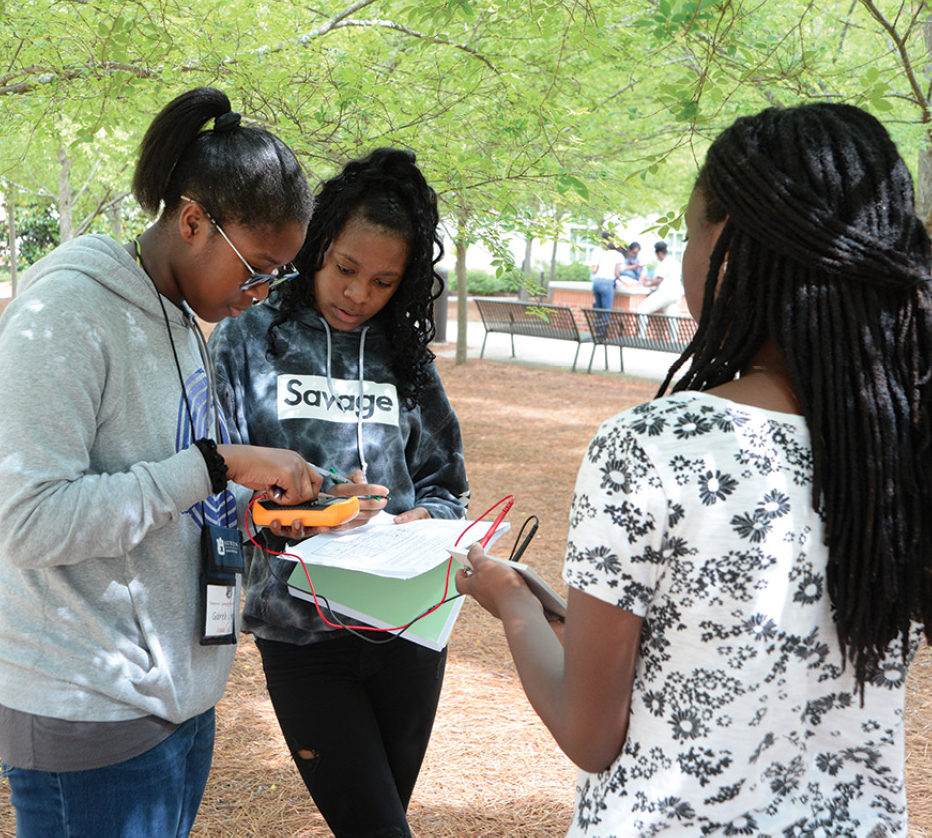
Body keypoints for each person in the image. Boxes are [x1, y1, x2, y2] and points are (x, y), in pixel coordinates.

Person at [456, 102, 932, 836]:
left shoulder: (653, 445)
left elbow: (591, 735)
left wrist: (515, 604)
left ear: (731, 250)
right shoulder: (905, 445)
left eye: (687, 234)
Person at [0, 87, 321, 838]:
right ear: (191, 222)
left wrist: (257, 512)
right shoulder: (67, 314)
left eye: (278, 276)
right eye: (257, 268)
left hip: (174, 698)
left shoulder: (181, 316)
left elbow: (166, 488)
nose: (262, 293)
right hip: (90, 708)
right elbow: (27, 522)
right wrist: (217, 466)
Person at [210, 147, 469, 838]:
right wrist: (277, 521)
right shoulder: (247, 339)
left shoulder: (403, 357)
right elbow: (212, 479)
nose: (359, 294)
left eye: (384, 282)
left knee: (379, 822)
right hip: (301, 631)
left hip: (409, 625)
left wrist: (424, 517)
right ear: (317, 247)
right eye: (346, 270)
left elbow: (448, 484)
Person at [637, 239, 683, 315]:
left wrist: (646, 285)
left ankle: (642, 327)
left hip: (666, 292)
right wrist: (650, 279)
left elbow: (658, 281)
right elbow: (668, 278)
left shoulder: (663, 263)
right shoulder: (675, 262)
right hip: (677, 293)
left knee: (642, 310)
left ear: (660, 253)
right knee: (671, 317)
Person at [589, 234, 625, 309]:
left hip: (596, 281)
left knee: (598, 309)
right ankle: (605, 320)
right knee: (606, 309)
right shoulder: (618, 255)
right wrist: (622, 281)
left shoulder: (598, 252)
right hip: (607, 282)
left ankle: (597, 320)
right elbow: (617, 274)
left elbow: (594, 270)